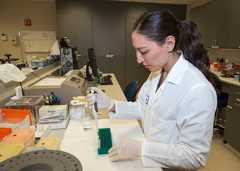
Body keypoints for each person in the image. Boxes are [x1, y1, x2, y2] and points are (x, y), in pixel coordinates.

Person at [87, 10, 217, 171]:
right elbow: (143, 108)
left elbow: (194, 156)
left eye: (144, 51)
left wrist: (141, 149)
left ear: (169, 44)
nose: (138, 59)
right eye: (136, 50)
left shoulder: (198, 90)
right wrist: (111, 104)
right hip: (149, 162)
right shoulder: (156, 72)